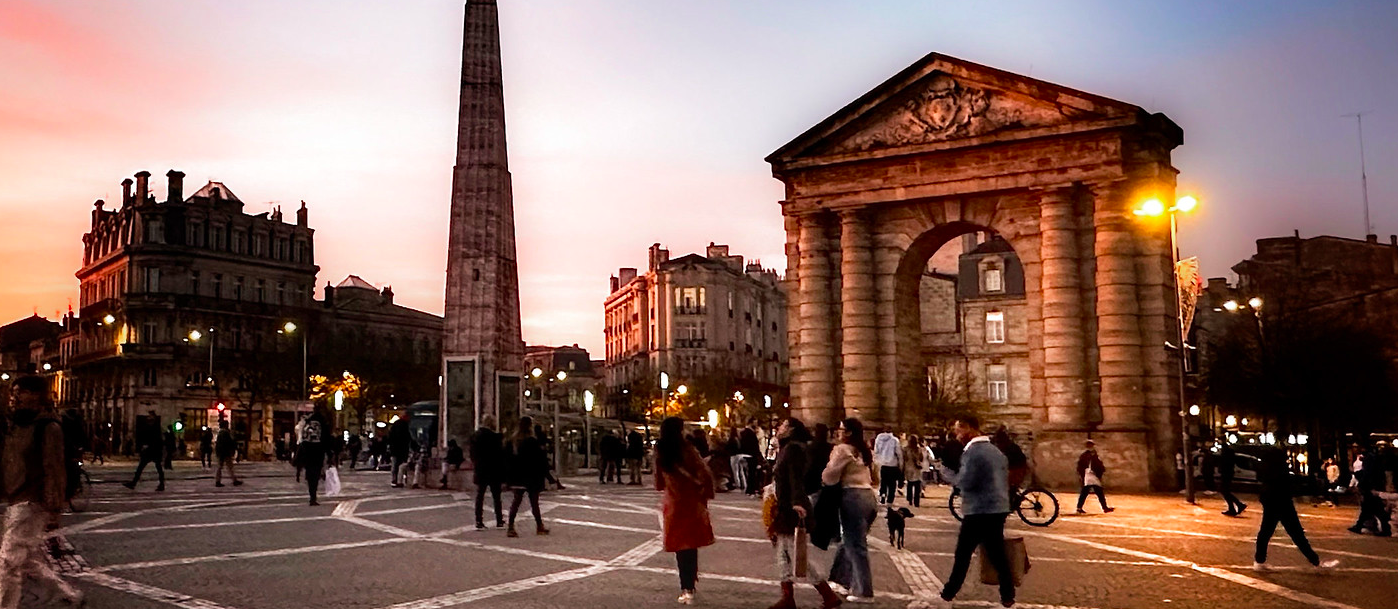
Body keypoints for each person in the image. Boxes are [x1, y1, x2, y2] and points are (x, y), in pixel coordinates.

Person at [0, 376, 85, 608]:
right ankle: (67, 594)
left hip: (32, 501)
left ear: (37, 395)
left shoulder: (48, 427)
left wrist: (54, 508)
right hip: (15, 497)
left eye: (22, 392)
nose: (15, 396)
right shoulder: (14, 425)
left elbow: (54, 468)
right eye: (13, 391)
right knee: (25, 560)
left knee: (9, 561)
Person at [937, 416, 1015, 608]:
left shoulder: (973, 452)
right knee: (996, 552)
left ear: (970, 429)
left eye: (958, 430)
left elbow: (966, 482)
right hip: (998, 507)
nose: (957, 435)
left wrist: (946, 474)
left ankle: (949, 592)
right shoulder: (996, 451)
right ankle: (1007, 594)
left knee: (963, 553)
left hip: (978, 509)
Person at [766, 417, 842, 609]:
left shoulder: (793, 449)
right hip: (783, 506)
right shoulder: (787, 448)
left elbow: (796, 478)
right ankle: (787, 597)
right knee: (783, 553)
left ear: (791, 429)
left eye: (783, 425)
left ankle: (827, 594)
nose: (778, 428)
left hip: (791, 507)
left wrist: (797, 502)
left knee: (797, 555)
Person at [654, 417, 715, 605]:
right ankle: (690, 585)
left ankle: (685, 586)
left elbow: (658, 481)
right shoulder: (688, 449)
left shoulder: (661, 450)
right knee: (691, 544)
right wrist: (706, 492)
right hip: (691, 501)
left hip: (673, 502)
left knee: (680, 546)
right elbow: (703, 472)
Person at [1253, 445, 1340, 571]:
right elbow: (1287, 483)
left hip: (1272, 500)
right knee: (1296, 533)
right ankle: (1316, 562)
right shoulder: (1278, 469)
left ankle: (1259, 561)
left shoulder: (1265, 468)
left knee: (1266, 532)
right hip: (1282, 501)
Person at [823, 417, 879, 604]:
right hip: (869, 496)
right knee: (849, 540)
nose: (838, 432)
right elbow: (875, 476)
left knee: (856, 545)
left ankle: (864, 591)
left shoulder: (842, 450)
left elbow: (829, 476)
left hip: (852, 496)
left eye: (840, 429)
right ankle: (840, 580)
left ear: (848, 432)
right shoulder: (864, 451)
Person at [506, 416, 550, 537]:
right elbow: (540, 460)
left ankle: (510, 527)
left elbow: (508, 460)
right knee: (534, 502)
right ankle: (539, 526)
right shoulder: (532, 441)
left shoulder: (513, 441)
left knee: (516, 502)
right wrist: (548, 476)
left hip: (517, 476)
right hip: (531, 476)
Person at [471, 416, 505, 529]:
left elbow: (472, 454)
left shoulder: (475, 436)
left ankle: (478, 520)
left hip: (480, 468)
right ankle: (499, 520)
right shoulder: (495, 437)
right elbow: (500, 454)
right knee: (496, 496)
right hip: (493, 469)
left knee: (480, 495)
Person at [1351, 446, 1393, 536]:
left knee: (1373, 508)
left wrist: (1363, 483)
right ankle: (1359, 525)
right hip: (1373, 486)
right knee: (1370, 508)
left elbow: (1368, 474)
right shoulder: (1377, 460)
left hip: (1370, 487)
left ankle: (1385, 528)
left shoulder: (1370, 459)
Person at [123, 410, 165, 491]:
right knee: (146, 467)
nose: (148, 417)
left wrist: (147, 446)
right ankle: (134, 483)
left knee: (151, 467)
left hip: (153, 450)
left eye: (150, 416)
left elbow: (156, 439)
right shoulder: (153, 426)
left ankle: (134, 483)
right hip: (152, 450)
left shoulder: (155, 427)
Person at [1074, 440, 1113, 514]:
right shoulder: (1086, 455)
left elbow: (1098, 464)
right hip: (1087, 474)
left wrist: (1101, 470)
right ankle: (1080, 508)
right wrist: (1082, 474)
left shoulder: (1094, 454)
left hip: (1093, 474)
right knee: (1088, 491)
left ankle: (1104, 507)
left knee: (1095, 491)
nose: (1091, 446)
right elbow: (1081, 466)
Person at [299, 410, 328, 505]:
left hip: (308, 452)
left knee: (310, 475)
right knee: (315, 475)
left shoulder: (307, 425)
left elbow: (302, 440)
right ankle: (313, 496)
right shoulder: (322, 424)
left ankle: (312, 495)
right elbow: (326, 439)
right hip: (318, 452)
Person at [872, 427, 902, 505]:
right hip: (892, 464)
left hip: (881, 463)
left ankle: (882, 494)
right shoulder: (895, 440)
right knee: (892, 484)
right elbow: (898, 453)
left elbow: (876, 451)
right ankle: (890, 500)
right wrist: (900, 464)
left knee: (883, 482)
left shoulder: (878, 439)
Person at [1218, 443, 1247, 517]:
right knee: (1225, 491)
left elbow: (1223, 464)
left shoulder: (1225, 454)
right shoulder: (1230, 453)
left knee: (1225, 491)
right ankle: (1234, 507)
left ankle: (1237, 505)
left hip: (1226, 473)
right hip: (1228, 473)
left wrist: (1221, 469)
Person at [214, 420, 243, 488]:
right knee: (229, 467)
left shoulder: (220, 433)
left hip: (221, 452)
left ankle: (218, 481)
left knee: (220, 467)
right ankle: (234, 480)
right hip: (225, 452)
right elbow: (228, 442)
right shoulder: (225, 433)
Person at [388, 411, 413, 487]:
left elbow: (391, 437)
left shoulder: (396, 425)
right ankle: (399, 480)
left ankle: (395, 480)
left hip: (395, 449)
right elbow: (407, 437)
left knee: (395, 466)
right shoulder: (405, 425)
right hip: (402, 449)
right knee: (401, 465)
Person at [903, 435, 926, 508]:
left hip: (908, 468)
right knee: (917, 486)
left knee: (909, 484)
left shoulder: (905, 449)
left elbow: (904, 458)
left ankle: (909, 499)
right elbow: (921, 458)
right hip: (917, 469)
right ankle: (917, 501)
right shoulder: (918, 449)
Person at [740, 421, 763, 495]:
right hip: (751, 455)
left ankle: (750, 489)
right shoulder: (750, 433)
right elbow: (754, 446)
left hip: (746, 455)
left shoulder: (743, 433)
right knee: (752, 473)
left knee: (748, 473)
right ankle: (751, 489)